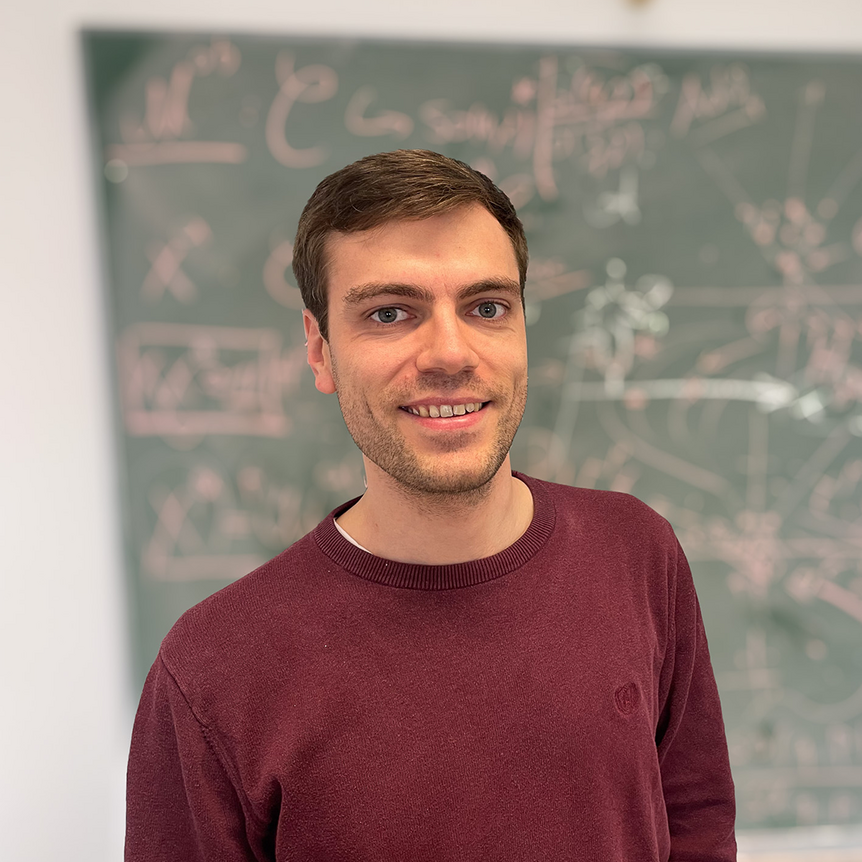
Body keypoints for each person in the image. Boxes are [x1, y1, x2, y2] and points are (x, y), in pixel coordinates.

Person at [125, 150, 736, 861]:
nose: (451, 352)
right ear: (319, 351)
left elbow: (697, 825)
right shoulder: (212, 669)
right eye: (390, 313)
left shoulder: (636, 552)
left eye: (487, 307)